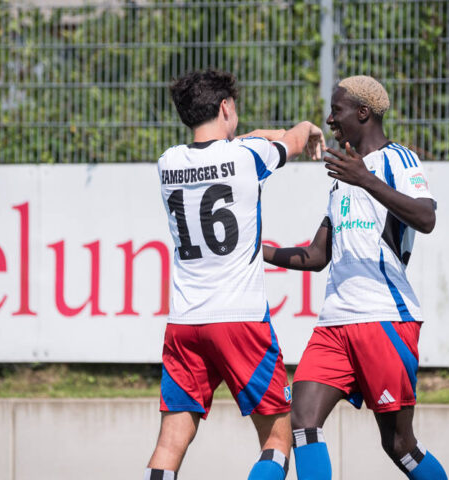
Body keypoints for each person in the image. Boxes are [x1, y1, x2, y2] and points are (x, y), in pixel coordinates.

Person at [263, 76, 448, 480]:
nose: (330, 119)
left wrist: (365, 178)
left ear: (363, 113)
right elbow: (316, 256)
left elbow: (426, 217)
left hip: (385, 318)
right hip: (335, 324)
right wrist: (255, 251)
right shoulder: (342, 176)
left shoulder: (398, 160)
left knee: (399, 445)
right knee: (302, 419)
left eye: (337, 110)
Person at [147, 69, 324, 480]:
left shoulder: (167, 162)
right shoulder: (248, 158)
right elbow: (291, 143)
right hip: (239, 321)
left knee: (169, 443)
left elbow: (232, 145)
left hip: (184, 323)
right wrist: (305, 128)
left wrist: (267, 132)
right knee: (278, 439)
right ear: (226, 107)